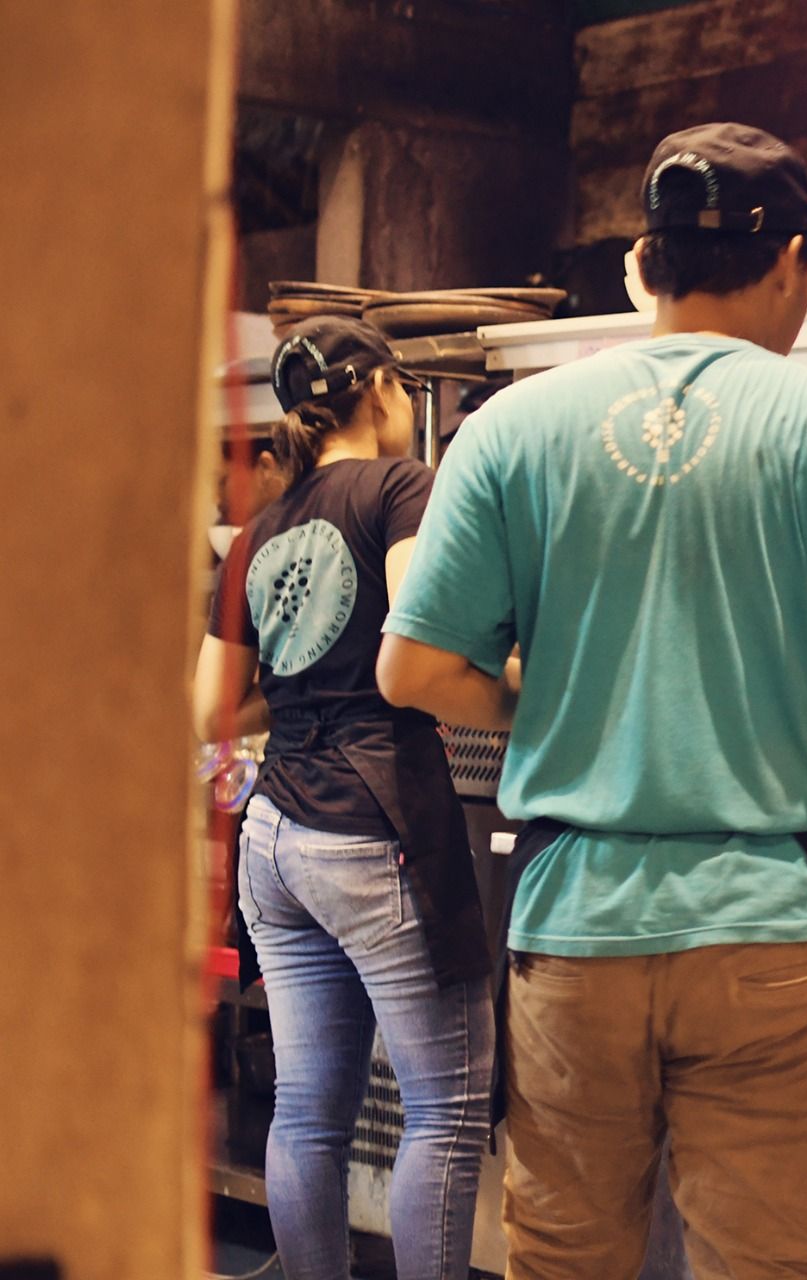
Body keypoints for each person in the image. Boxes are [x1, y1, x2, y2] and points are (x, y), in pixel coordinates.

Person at [376, 122, 807, 1279]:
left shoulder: (511, 428)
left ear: (645, 264)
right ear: (791, 265)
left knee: (563, 1262)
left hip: (573, 930)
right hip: (769, 930)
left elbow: (412, 671)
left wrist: (540, 705)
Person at [194, 317, 494, 1280]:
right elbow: (419, 639)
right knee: (444, 1110)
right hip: (375, 824)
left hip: (277, 833)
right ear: (381, 391)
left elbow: (208, 708)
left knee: (307, 1115)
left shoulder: (259, 531)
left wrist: (300, 693)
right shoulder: (402, 488)